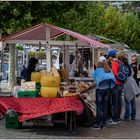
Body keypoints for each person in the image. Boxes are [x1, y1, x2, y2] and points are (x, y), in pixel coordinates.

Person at [91, 56, 116, 129]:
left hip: (99, 90)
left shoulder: (97, 71)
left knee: (99, 107)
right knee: (105, 107)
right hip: (107, 90)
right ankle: (103, 124)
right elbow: (113, 79)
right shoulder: (109, 70)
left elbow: (95, 80)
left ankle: (98, 124)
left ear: (99, 62)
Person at [123, 57, 137, 121]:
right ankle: (133, 116)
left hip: (127, 84)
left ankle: (127, 116)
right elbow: (133, 74)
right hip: (132, 82)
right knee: (133, 101)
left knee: (128, 101)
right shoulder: (129, 67)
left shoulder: (123, 68)